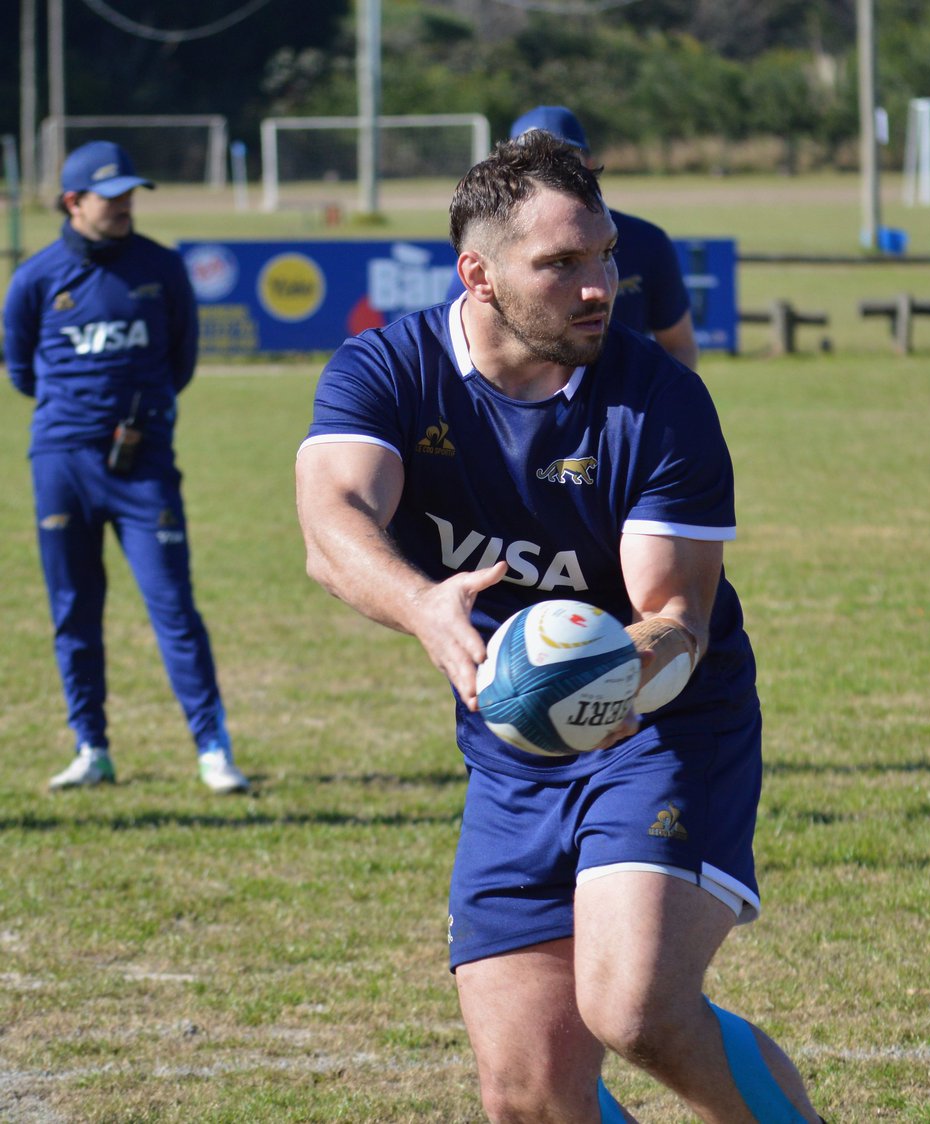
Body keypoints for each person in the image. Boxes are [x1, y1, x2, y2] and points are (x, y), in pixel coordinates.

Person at [296, 133, 823, 1122]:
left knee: (636, 1008)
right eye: (563, 264)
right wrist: (421, 603)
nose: (601, 288)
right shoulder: (391, 370)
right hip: (512, 744)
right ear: (479, 275)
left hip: (662, 726)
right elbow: (333, 525)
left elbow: (678, 612)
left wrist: (634, 655)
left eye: (607, 255)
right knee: (529, 1093)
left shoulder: (657, 400)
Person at [3, 140, 248, 794]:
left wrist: (142, 419)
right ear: (72, 202)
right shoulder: (34, 277)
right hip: (61, 462)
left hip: (144, 469)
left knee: (174, 608)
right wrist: (78, 419)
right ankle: (92, 748)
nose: (122, 207)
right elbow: (21, 369)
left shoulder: (162, 268)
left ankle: (213, 751)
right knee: (73, 610)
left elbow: (181, 361)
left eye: (129, 196)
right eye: (109, 198)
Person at [445, 105, 700, 371]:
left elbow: (678, 344)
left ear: (590, 165)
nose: (549, 172)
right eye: (561, 261)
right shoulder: (489, 254)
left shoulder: (647, 241)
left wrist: (664, 406)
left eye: (607, 253)